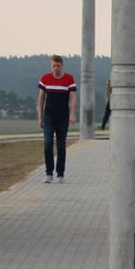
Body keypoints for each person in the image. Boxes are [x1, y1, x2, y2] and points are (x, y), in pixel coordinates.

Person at [37, 55, 77, 183]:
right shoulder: (45, 78)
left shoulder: (69, 79)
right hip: (49, 115)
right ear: (51, 65)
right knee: (48, 143)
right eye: (54, 66)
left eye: (58, 66)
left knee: (61, 145)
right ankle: (49, 173)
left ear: (62, 65)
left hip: (62, 116)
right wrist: (40, 116)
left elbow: (73, 97)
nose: (56, 68)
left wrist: (72, 114)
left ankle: (60, 174)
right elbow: (41, 98)